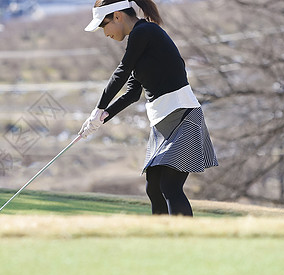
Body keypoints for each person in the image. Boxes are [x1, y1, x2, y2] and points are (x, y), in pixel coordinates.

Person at [78, 0, 218, 216]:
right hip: (163, 122)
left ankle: (186, 240)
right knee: (154, 188)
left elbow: (122, 71)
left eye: (103, 26)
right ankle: (161, 241)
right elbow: (132, 93)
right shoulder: (140, 42)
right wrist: (102, 118)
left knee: (170, 186)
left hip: (183, 115)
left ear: (117, 16)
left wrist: (98, 108)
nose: (104, 33)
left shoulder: (145, 32)